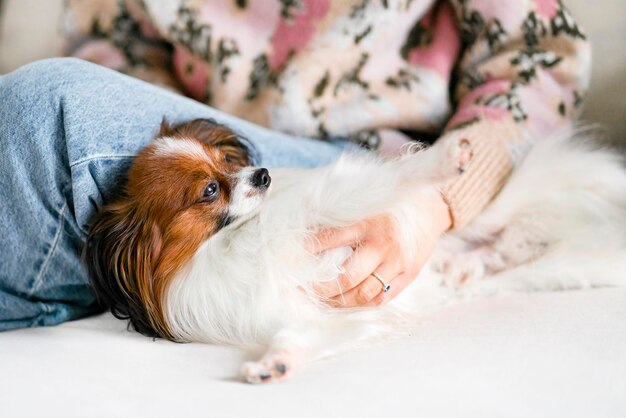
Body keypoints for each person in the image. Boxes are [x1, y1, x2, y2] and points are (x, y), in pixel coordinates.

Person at [0, 0, 589, 331]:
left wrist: (432, 200)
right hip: (202, 153)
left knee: (44, 109)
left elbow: (538, 59)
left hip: (363, 160)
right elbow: (115, 51)